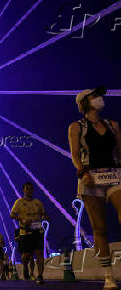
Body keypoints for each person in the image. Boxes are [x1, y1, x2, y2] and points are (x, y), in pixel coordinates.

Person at [68, 87, 121, 290]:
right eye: (95, 97)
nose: (100, 99)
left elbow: (120, 151)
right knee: (99, 228)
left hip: (114, 175)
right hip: (90, 179)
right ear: (85, 103)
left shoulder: (113, 125)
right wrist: (82, 172)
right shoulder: (77, 127)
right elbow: (74, 154)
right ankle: (109, 276)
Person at [10, 182, 49, 284]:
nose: (29, 190)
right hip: (25, 231)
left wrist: (45, 218)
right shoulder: (18, 202)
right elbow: (12, 215)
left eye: (31, 188)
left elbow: (44, 214)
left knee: (39, 253)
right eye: (27, 188)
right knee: (26, 254)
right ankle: (25, 266)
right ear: (23, 190)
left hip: (38, 230)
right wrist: (22, 219)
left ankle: (40, 276)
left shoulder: (38, 202)